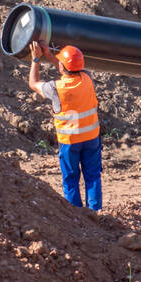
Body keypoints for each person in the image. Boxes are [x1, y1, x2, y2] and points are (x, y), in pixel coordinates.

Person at [27, 40, 103, 210]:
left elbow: (33, 83)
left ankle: (75, 214)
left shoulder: (56, 88)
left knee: (70, 178)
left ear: (62, 66)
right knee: (93, 176)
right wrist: (50, 56)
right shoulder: (87, 78)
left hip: (70, 141)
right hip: (91, 138)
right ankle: (95, 212)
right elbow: (69, 69)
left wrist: (36, 59)